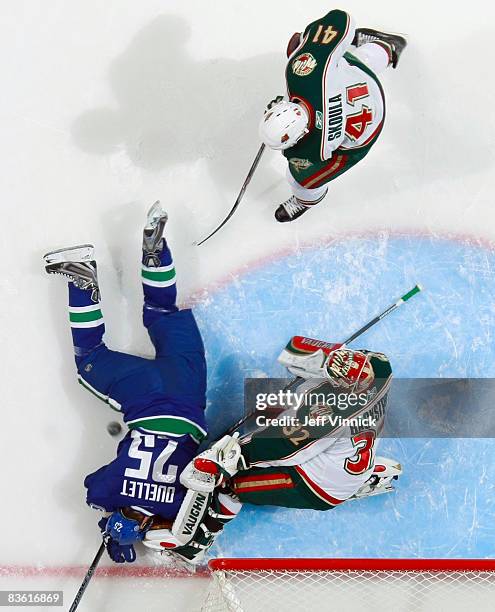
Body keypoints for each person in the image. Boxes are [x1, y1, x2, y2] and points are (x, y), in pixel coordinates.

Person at [43, 202, 234, 563]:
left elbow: (193, 522)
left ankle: (156, 252)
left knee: (164, 312)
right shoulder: (110, 492)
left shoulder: (178, 506)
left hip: (188, 391)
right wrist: (111, 522)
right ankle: (81, 278)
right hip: (143, 397)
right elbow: (93, 491)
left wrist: (136, 529)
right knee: (89, 360)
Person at [151, 336, 401, 565]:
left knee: (230, 486)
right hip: (348, 456)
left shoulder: (327, 415)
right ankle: (358, 476)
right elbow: (298, 348)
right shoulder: (381, 367)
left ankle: (197, 544)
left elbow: (282, 447)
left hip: (313, 484)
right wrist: (331, 359)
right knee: (333, 448)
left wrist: (234, 456)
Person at [259, 8, 407, 222]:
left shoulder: (314, 149)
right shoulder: (307, 76)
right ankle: (388, 46)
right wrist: (307, 43)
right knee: (349, 64)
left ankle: (306, 200)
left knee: (302, 180)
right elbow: (341, 19)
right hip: (365, 88)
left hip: (365, 128)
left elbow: (304, 169)